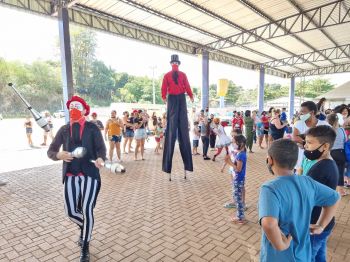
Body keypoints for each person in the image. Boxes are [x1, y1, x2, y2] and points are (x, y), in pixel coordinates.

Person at [259, 139, 340, 262]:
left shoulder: (270, 189)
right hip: (303, 254)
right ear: (296, 160)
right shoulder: (307, 182)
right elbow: (334, 198)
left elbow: (269, 224)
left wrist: (282, 245)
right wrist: (321, 226)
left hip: (278, 257)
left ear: (270, 160)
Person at [47, 96, 106, 262]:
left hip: (90, 173)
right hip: (70, 174)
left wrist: (101, 158)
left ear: (83, 110)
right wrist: (58, 155)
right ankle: (85, 227)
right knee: (71, 211)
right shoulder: (64, 129)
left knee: (87, 209)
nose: (73, 109)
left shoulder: (92, 128)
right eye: (71, 106)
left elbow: (101, 149)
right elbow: (51, 150)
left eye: (76, 106)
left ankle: (85, 246)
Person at [304, 125, 340, 261]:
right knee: (319, 256)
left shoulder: (321, 169)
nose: (306, 146)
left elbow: (307, 197)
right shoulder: (328, 162)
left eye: (310, 143)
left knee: (308, 257)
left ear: (325, 146)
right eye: (306, 142)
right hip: (324, 224)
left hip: (315, 225)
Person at [161, 54, 194, 174]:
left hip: (178, 99)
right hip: (176, 99)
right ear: (173, 64)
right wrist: (164, 96)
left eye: (176, 63)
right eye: (174, 63)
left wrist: (164, 96)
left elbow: (164, 88)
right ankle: (169, 165)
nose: (175, 65)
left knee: (182, 128)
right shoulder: (173, 75)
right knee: (173, 129)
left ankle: (187, 165)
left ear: (177, 64)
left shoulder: (174, 75)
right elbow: (164, 87)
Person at [293, 101, 329, 169]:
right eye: (300, 112)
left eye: (303, 112)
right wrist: (314, 144)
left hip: (319, 161)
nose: (300, 114)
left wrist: (303, 143)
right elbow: (295, 138)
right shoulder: (298, 123)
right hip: (301, 160)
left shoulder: (324, 124)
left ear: (312, 112)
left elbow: (329, 139)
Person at [224, 135, 247, 224]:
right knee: (237, 198)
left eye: (234, 142)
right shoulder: (240, 153)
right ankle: (240, 216)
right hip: (238, 179)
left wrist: (229, 162)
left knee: (238, 199)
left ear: (240, 143)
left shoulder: (241, 155)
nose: (232, 144)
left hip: (238, 179)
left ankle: (240, 218)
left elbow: (238, 169)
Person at [327, 113, 348, 196]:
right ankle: (341, 191)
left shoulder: (328, 130)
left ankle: (330, 190)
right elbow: (345, 140)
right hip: (341, 153)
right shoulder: (342, 129)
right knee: (340, 172)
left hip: (330, 153)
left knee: (330, 172)